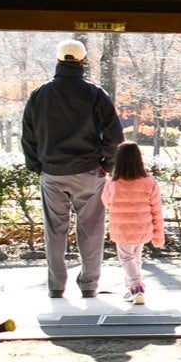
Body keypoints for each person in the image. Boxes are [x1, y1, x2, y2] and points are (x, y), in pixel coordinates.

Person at [21, 39, 123, 299]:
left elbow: (28, 136)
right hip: (88, 171)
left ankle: (56, 286)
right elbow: (114, 135)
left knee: (54, 230)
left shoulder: (39, 94)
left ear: (58, 60)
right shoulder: (95, 93)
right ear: (83, 62)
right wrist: (106, 165)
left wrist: (37, 166)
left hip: (52, 172)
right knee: (91, 229)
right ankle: (89, 285)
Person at [100, 141, 165, 305]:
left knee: (127, 258)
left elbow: (107, 202)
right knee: (136, 259)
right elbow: (156, 208)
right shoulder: (149, 181)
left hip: (121, 228)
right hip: (142, 227)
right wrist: (158, 233)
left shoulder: (113, 183)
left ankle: (136, 286)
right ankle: (131, 290)